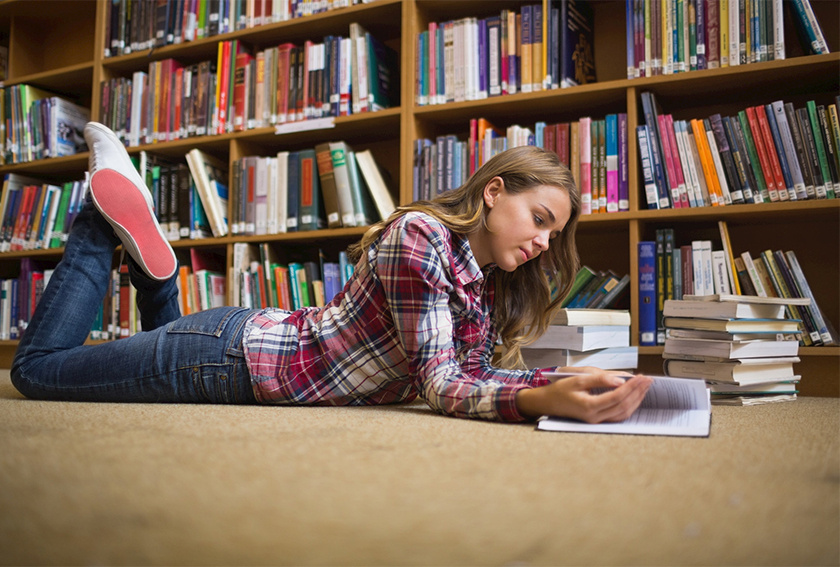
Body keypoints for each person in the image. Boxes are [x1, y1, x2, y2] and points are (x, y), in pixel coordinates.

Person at [11, 122, 652, 423]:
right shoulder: (422, 236)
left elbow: (476, 375)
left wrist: (563, 378)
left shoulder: (479, 279)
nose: (543, 242)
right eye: (538, 218)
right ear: (493, 193)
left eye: (553, 233)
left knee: (159, 350)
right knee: (37, 373)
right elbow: (440, 384)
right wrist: (538, 398)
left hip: (227, 348)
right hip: (235, 360)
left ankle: (155, 277)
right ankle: (102, 219)